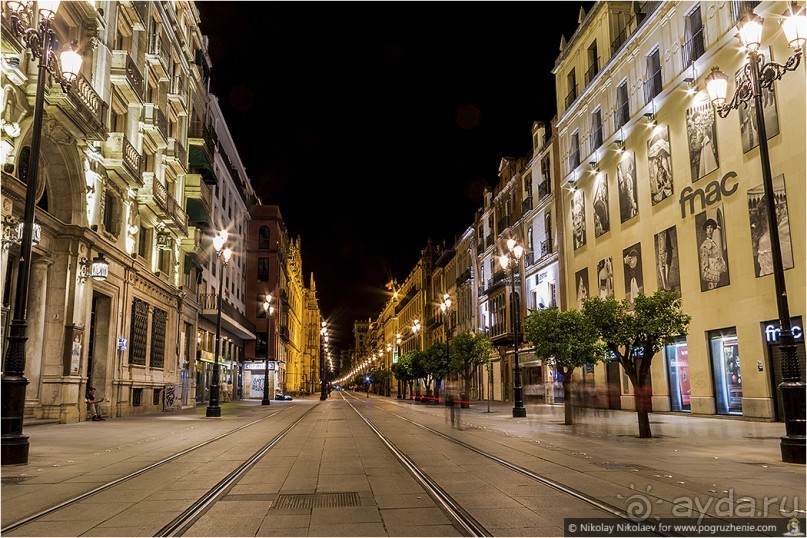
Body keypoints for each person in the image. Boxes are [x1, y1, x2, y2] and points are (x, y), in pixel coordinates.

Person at [699, 218, 727, 290]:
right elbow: (704, 270)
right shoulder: (704, 246)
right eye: (708, 228)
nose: (710, 230)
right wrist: (717, 275)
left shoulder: (714, 244)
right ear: (705, 230)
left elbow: (720, 259)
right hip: (712, 281)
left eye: (711, 227)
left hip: (720, 279)